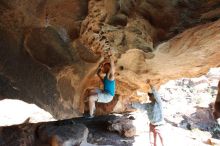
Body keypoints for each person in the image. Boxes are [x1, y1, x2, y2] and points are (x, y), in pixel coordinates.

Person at [132, 80, 165, 146]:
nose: (149, 98)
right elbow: (140, 106)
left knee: (161, 140)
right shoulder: (148, 105)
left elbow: (156, 94)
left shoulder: (158, 103)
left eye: (150, 96)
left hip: (159, 125)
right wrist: (131, 103)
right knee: (152, 141)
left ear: (154, 97)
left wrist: (151, 84)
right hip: (152, 125)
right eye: (149, 96)